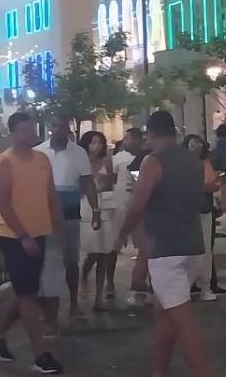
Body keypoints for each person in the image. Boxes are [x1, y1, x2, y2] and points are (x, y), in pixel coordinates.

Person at [115, 109, 226, 377]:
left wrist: (122, 234)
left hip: (166, 248)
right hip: (192, 244)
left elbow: (138, 204)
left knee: (182, 319)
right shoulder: (192, 160)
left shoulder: (153, 161)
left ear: (150, 134)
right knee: (164, 312)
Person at [0, 110, 65, 374]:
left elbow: (51, 194)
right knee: (28, 295)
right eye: (24, 131)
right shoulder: (5, 162)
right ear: (13, 133)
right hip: (14, 236)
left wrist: (58, 226)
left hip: (40, 232)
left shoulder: (41, 159)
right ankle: (41, 354)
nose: (30, 135)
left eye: (32, 130)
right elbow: (1, 202)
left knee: (26, 291)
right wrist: (22, 235)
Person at [36, 114, 100, 328]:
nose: (58, 129)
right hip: (44, 213)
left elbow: (88, 182)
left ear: (68, 128)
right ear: (49, 127)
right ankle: (45, 308)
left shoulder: (79, 153)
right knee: (46, 261)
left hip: (70, 212)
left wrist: (95, 209)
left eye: (62, 126)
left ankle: (73, 304)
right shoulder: (39, 152)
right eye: (55, 125)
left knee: (71, 260)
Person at [78, 131, 116, 310]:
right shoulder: (81, 162)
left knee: (104, 253)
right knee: (92, 251)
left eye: (100, 143)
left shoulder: (107, 162)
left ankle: (99, 297)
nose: (97, 146)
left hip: (105, 206)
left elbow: (111, 183)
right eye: (93, 143)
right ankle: (84, 277)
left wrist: (102, 182)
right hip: (87, 207)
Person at [108, 128, 145, 298]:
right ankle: (109, 282)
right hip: (120, 205)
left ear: (137, 140)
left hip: (141, 207)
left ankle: (141, 281)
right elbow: (112, 181)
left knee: (144, 246)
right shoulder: (118, 159)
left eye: (128, 138)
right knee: (113, 245)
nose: (125, 141)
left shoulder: (147, 157)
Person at [184, 133, 220, 301]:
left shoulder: (206, 163)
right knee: (186, 249)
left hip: (204, 209)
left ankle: (205, 284)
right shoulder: (182, 163)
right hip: (186, 210)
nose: (195, 147)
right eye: (191, 144)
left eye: (198, 144)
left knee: (205, 248)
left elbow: (212, 184)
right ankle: (188, 285)